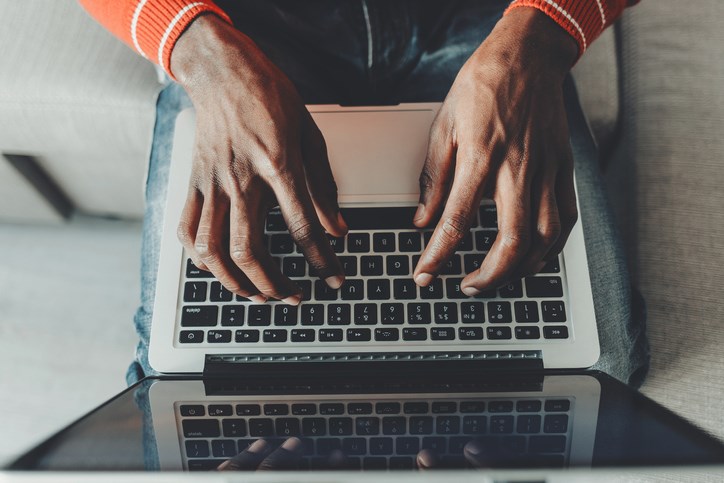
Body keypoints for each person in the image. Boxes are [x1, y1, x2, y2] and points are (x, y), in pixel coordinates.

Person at [78, 0, 649, 386]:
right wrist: (194, 47)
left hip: (495, 21)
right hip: (240, 28)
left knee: (597, 369)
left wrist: (544, 31)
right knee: (184, 381)